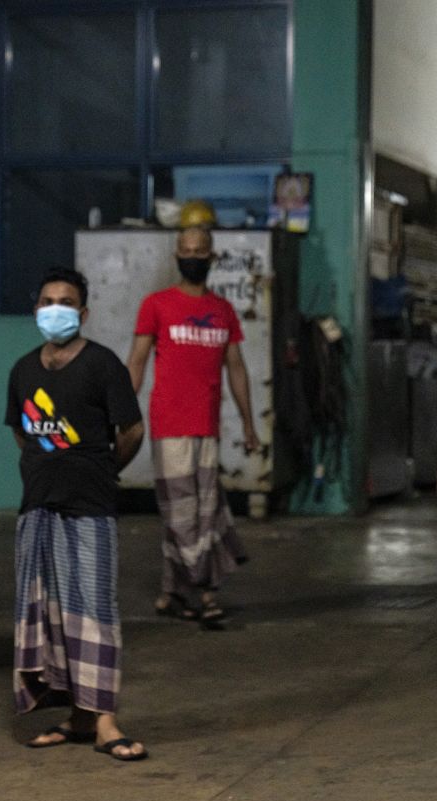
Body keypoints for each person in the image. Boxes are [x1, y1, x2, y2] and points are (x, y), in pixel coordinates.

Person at [6, 267, 148, 761]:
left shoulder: (103, 365)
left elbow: (131, 430)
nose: (55, 309)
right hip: (38, 508)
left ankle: (106, 721)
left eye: (66, 301)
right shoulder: (24, 370)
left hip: (90, 508)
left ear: (83, 313)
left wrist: (102, 471)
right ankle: (79, 717)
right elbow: (22, 433)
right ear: (36, 309)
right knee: (52, 616)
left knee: (94, 613)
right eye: (47, 300)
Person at [127, 226, 258, 628]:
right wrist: (117, 413)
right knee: (184, 516)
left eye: (200, 250)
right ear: (176, 256)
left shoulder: (223, 311)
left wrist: (250, 425)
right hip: (170, 426)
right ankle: (206, 592)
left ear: (211, 256)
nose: (193, 256)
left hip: (208, 428)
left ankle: (171, 595)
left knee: (205, 512)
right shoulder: (156, 305)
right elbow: (137, 361)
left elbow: (236, 368)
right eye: (186, 250)